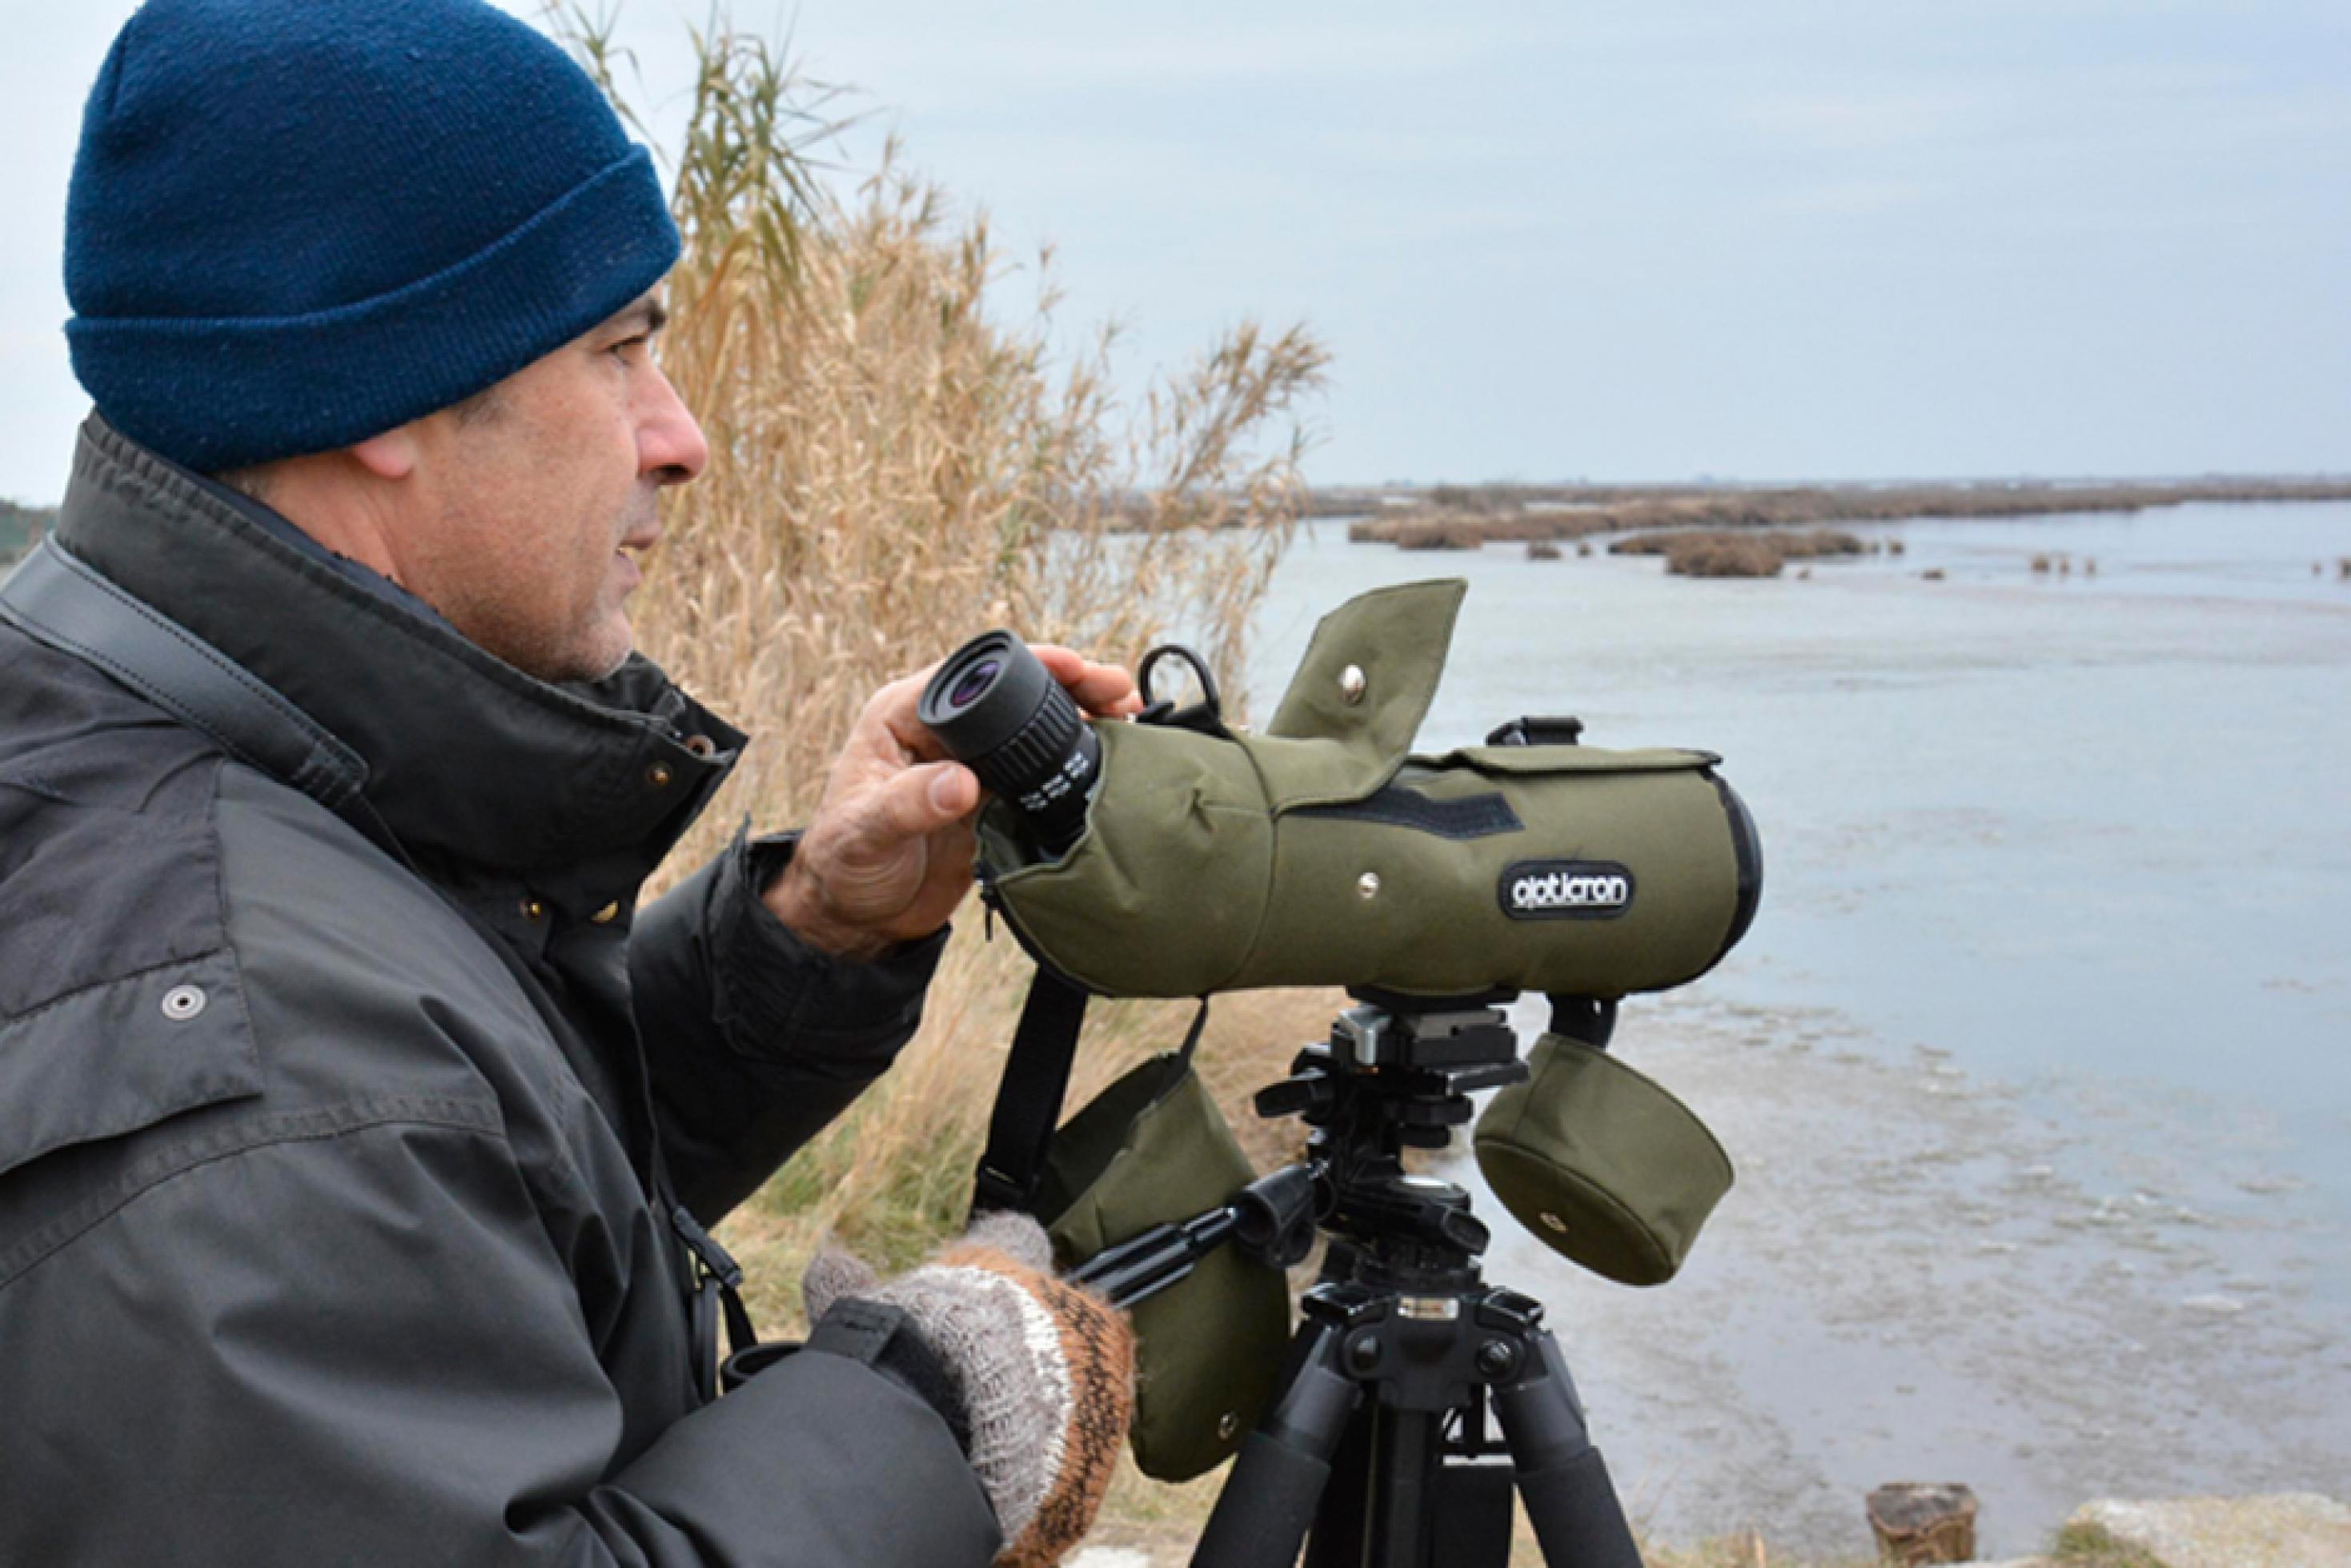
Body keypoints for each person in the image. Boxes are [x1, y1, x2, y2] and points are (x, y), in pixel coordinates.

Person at [0, 0, 1140, 1562]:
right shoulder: (255, 1072)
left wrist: (799, 942)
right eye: (618, 353)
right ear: (386, 392)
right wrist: (928, 1415)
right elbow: (351, 1132)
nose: (682, 440)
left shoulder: (126, 743)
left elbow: (443, 1188)